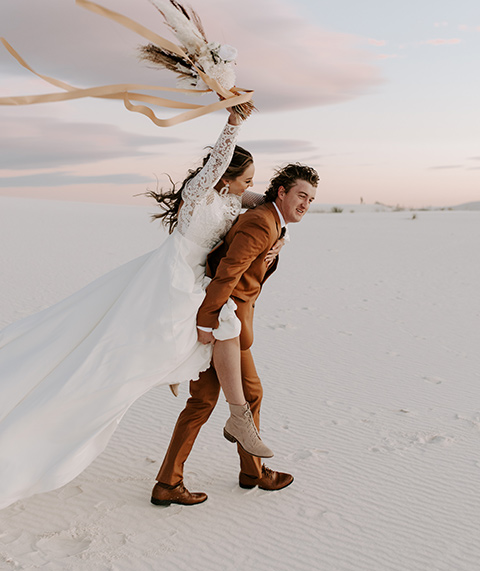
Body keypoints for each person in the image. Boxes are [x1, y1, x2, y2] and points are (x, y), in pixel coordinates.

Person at [0, 110, 277, 511]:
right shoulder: (200, 193)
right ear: (225, 176)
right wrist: (233, 123)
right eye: (246, 179)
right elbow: (219, 160)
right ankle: (233, 425)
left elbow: (268, 204)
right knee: (193, 340)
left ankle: (223, 435)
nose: (250, 187)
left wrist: (278, 225)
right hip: (173, 279)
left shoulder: (232, 199)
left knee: (216, 348)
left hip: (192, 279)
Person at [151, 162, 319, 506]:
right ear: (283, 192)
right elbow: (227, 274)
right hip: (225, 323)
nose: (306, 203)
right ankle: (250, 472)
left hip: (226, 320)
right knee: (248, 394)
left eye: (312, 199)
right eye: (302, 195)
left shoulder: (271, 221)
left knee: (203, 402)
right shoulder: (261, 222)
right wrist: (208, 323)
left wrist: (280, 242)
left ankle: (171, 481)